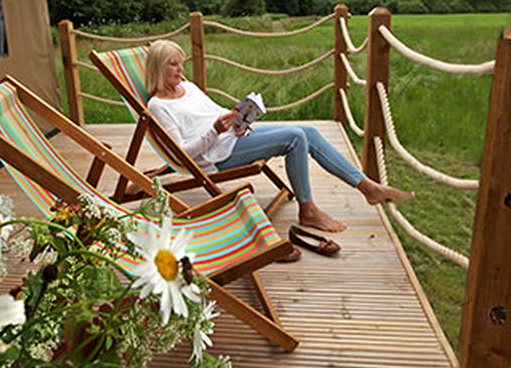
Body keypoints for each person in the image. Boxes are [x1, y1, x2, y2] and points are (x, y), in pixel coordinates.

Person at [144, 40, 413, 237]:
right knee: (295, 137)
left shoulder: (187, 87)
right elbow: (182, 153)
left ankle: (367, 186)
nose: (181, 70)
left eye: (181, 63)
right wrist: (216, 129)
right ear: (158, 67)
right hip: (215, 156)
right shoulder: (158, 106)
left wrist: (238, 121)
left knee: (308, 131)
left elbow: (215, 112)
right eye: (173, 64)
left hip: (230, 138)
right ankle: (308, 210)